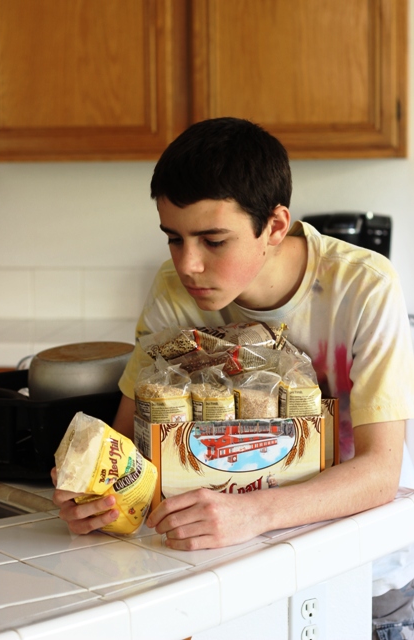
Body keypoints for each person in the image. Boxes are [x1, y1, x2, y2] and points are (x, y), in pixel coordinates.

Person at [52, 117, 414, 638]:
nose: (189, 265)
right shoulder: (174, 291)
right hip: (229, 577)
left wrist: (255, 513)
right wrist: (94, 494)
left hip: (362, 579)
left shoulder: (364, 287)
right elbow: (132, 438)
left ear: (274, 225)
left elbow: (381, 471)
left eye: (213, 241)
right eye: (174, 239)